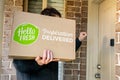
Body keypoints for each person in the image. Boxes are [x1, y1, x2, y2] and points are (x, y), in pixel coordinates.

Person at [13, 7, 87, 80]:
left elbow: (67, 51)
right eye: (55, 22)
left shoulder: (55, 40)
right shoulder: (29, 36)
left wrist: (79, 39)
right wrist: (38, 63)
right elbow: (19, 65)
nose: (58, 26)